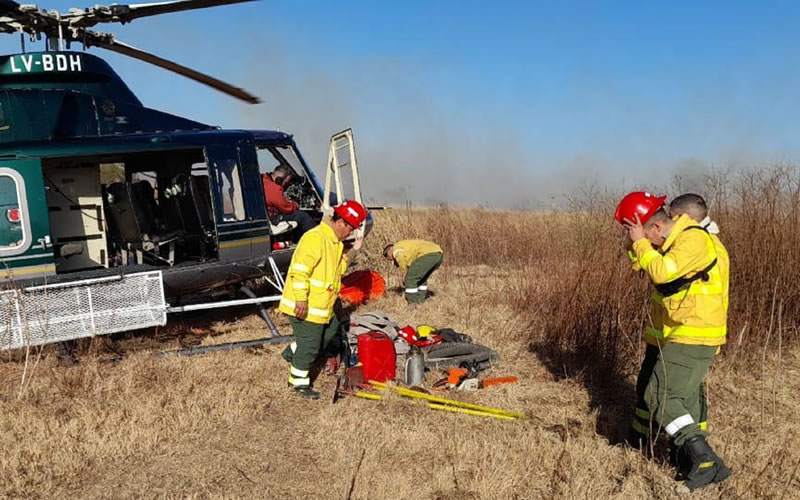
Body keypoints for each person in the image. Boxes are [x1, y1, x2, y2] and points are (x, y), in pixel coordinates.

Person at [616, 191, 730, 491]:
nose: (641, 240)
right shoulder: (676, 241)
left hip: (694, 332)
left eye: (642, 232)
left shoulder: (693, 239)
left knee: (661, 396)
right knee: (680, 397)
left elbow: (663, 272)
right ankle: (688, 457)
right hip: (680, 331)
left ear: (654, 228)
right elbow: (645, 264)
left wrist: (641, 241)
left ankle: (703, 459)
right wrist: (637, 244)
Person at [279, 200, 368, 400]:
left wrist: (347, 253)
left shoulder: (335, 242)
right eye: (351, 228)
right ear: (341, 223)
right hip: (306, 304)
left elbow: (336, 272)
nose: (351, 233)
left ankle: (292, 352)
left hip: (323, 305)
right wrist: (301, 300)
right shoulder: (315, 238)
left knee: (329, 333)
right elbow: (299, 271)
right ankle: (298, 382)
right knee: (311, 345)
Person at [382, 239, 443, 304]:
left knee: (410, 278)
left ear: (389, 250)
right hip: (438, 255)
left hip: (428, 255)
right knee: (421, 278)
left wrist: (404, 273)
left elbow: (400, 258)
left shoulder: (396, 248)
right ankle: (420, 301)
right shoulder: (405, 247)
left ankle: (412, 304)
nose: (392, 260)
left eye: (389, 257)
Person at [262, 165, 315, 234]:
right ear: (279, 180)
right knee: (303, 216)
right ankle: (315, 239)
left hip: (265, 215)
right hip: (272, 218)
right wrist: (295, 204)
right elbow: (287, 209)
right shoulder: (274, 188)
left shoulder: (263, 179)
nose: (284, 185)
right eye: (285, 182)